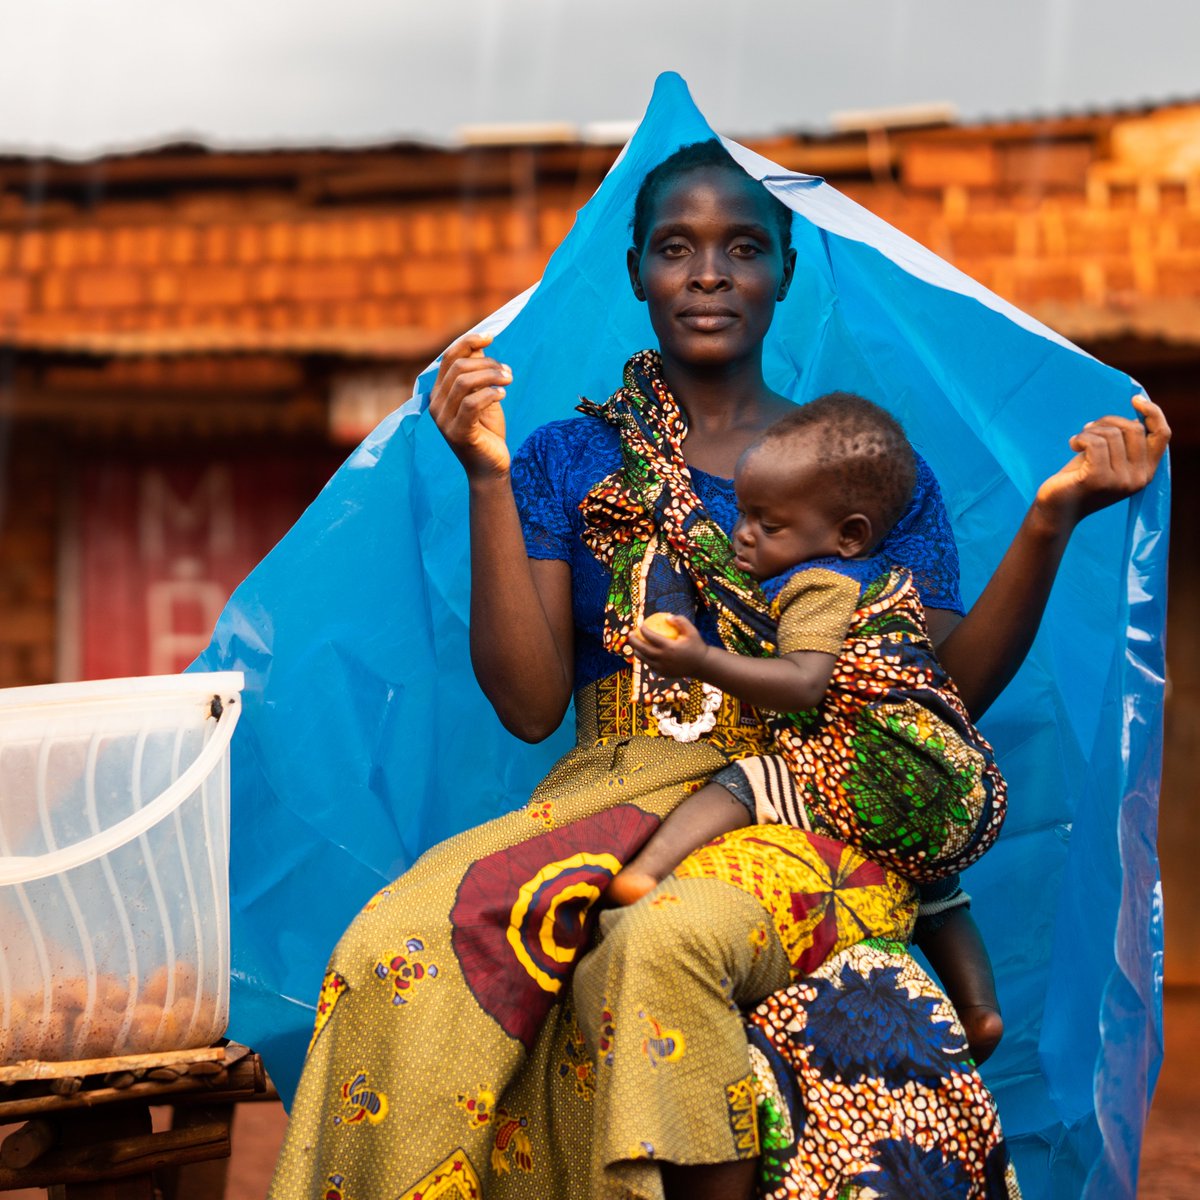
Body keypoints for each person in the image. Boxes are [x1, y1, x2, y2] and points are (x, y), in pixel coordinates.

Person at [267, 139, 1168, 1200]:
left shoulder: (864, 464)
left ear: (785, 268)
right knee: (393, 947)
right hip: (608, 791)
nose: (708, 272)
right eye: (676, 247)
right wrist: (486, 476)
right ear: (638, 270)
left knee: (667, 959)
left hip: (811, 808)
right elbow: (525, 703)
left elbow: (933, 701)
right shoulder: (568, 457)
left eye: (743, 245)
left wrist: (1049, 522)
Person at [604, 392, 1009, 1057]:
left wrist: (699, 658)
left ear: (848, 534)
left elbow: (802, 685)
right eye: (742, 512)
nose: (744, 533)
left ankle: (646, 871)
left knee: (747, 782)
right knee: (938, 888)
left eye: (770, 522)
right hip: (934, 774)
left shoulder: (818, 585)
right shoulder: (887, 584)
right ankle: (979, 1008)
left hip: (859, 764)